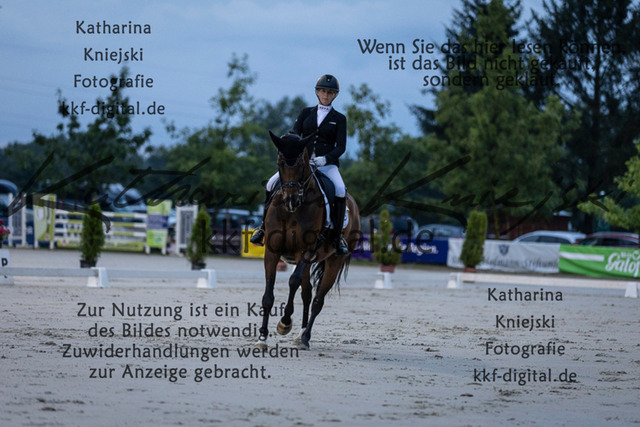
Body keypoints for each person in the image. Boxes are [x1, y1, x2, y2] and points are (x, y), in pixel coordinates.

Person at [251, 74, 349, 255]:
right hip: (301, 164)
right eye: (323, 91)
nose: (326, 95)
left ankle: (337, 237)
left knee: (340, 189)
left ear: (335, 95)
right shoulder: (306, 113)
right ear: (317, 92)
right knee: (270, 184)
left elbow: (341, 146)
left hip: (326, 165)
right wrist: (288, 141)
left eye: (329, 92)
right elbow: (295, 133)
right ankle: (263, 228)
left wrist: (325, 159)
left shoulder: (339, 118)